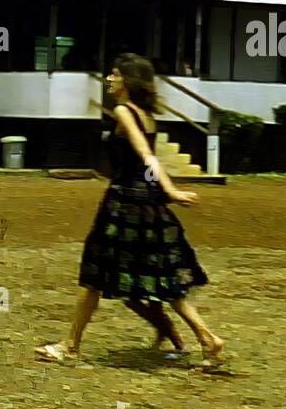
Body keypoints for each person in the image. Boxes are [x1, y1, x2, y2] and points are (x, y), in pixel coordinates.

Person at [36, 54, 225, 364]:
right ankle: (207, 338)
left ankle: (70, 345)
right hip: (145, 200)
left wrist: (171, 190)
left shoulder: (125, 111)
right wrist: (164, 190)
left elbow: (145, 155)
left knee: (95, 275)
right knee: (161, 277)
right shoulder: (145, 114)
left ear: (127, 80)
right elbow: (150, 160)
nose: (109, 79)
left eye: (113, 74)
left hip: (125, 202)